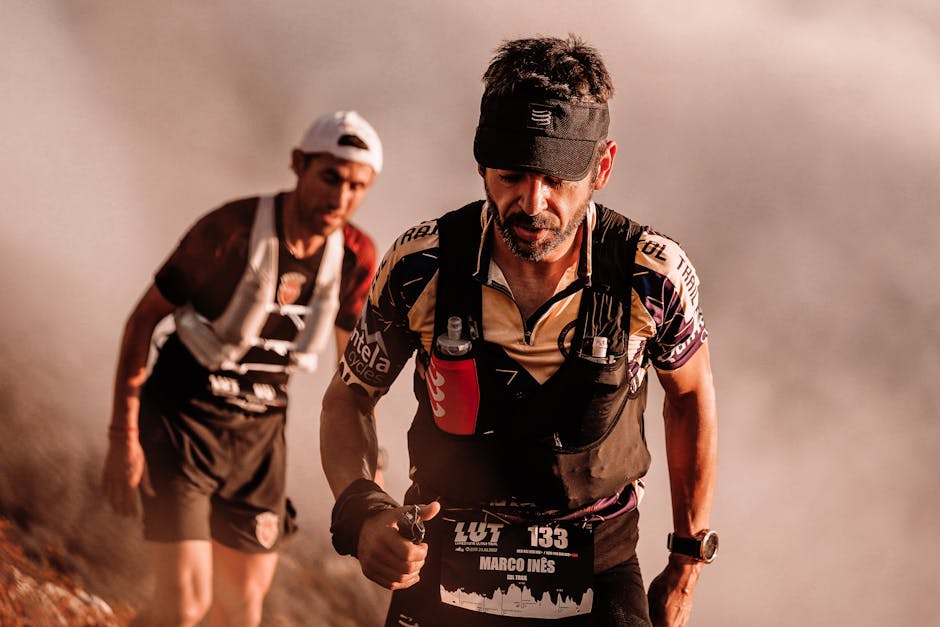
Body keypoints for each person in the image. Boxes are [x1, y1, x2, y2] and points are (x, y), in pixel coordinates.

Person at [320, 35, 718, 627]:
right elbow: (350, 394)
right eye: (511, 175)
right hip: (444, 555)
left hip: (598, 564)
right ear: (481, 160)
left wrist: (688, 558)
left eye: (559, 179)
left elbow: (689, 397)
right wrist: (364, 510)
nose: (533, 203)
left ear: (602, 167)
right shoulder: (421, 264)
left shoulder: (650, 275)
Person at [102, 110, 383, 627]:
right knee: (184, 605)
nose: (340, 198)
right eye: (330, 178)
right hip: (183, 418)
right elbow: (142, 320)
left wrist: (370, 459)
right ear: (298, 164)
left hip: (259, 436)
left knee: (240, 611)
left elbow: (355, 375)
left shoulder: (357, 257)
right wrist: (123, 435)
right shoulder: (230, 228)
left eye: (356, 186)